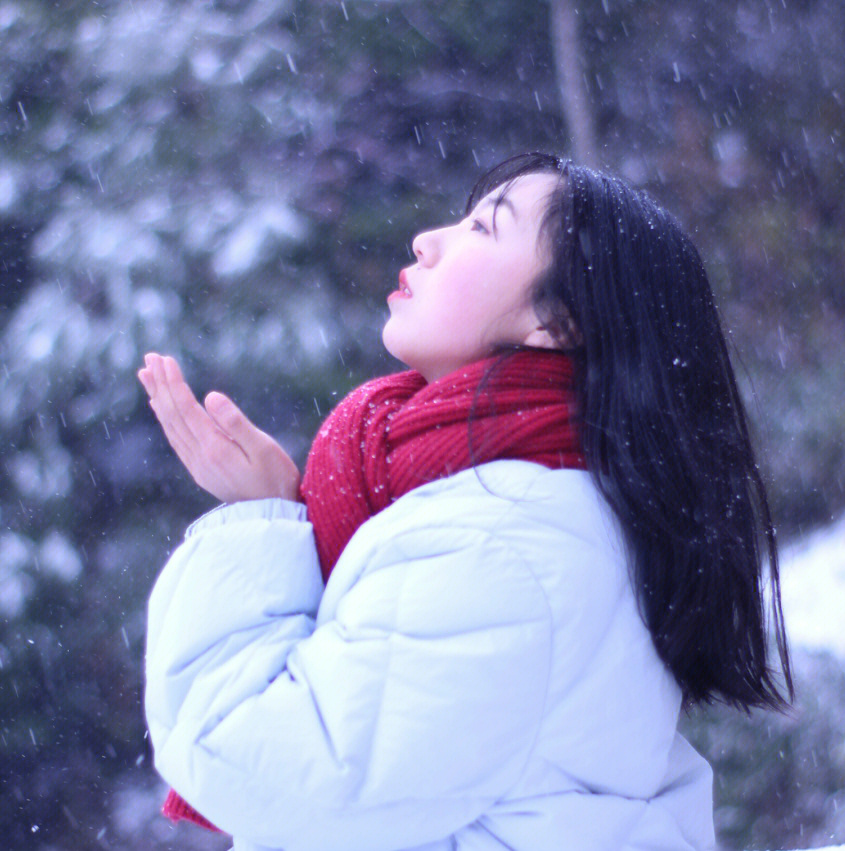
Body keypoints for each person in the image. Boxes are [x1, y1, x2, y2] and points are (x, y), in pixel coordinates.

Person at [136, 151, 793, 851]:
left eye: (484, 228)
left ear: (558, 319)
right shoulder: (524, 508)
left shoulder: (503, 547)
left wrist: (257, 526)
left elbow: (258, 768)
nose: (428, 240)